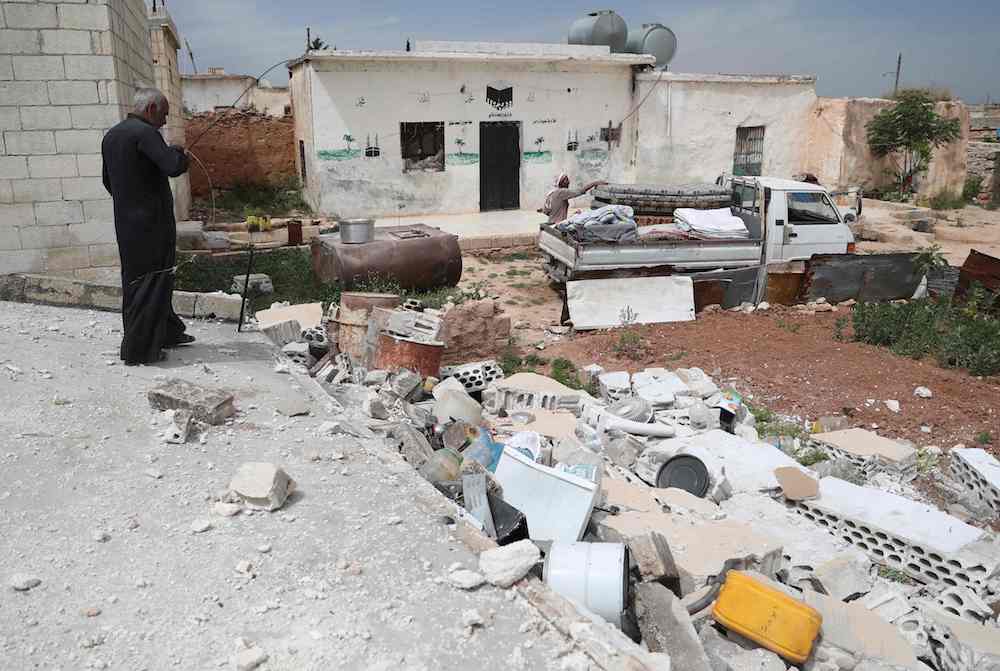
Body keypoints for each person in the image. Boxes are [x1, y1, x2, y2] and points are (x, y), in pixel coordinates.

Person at [102, 88, 191, 365]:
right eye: (163, 114)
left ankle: (168, 333)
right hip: (151, 226)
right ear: (151, 108)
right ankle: (139, 351)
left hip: (127, 225)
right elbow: (172, 166)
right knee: (153, 281)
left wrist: (131, 201)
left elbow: (108, 181)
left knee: (139, 282)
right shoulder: (144, 133)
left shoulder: (113, 135)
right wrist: (178, 152)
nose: (164, 121)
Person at [541, 173, 606, 224]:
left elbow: (545, 211)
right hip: (558, 224)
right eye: (566, 180)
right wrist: (595, 183)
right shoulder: (561, 192)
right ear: (561, 182)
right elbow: (580, 191)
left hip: (551, 223)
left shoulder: (551, 193)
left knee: (577, 214)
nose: (568, 182)